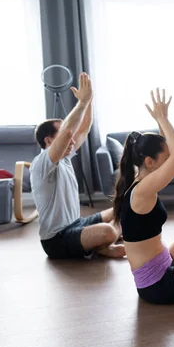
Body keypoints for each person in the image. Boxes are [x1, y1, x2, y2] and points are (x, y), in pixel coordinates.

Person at [113, 88, 174, 305]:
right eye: (166, 158)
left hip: (164, 263)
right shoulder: (143, 190)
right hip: (158, 285)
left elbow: (170, 151)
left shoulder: (142, 182)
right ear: (149, 161)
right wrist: (162, 118)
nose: (171, 161)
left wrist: (161, 123)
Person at [31, 73, 124, 260]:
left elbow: (83, 128)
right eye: (65, 136)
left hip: (77, 223)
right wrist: (81, 103)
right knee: (109, 232)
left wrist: (89, 100)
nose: (72, 140)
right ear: (49, 141)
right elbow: (68, 132)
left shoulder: (64, 157)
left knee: (122, 210)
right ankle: (102, 243)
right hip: (56, 239)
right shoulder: (42, 163)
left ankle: (96, 245)